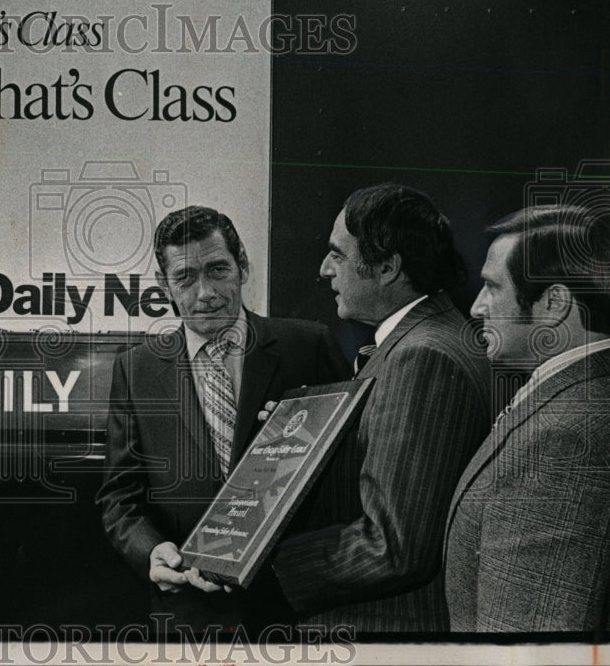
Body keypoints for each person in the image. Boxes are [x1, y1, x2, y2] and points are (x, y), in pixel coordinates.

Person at [97, 205, 348, 636]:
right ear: (164, 285)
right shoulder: (136, 370)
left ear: (243, 265)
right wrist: (153, 552)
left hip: (297, 611)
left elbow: (349, 473)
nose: (206, 293)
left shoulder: (306, 346)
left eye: (217, 269)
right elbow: (120, 497)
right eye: (186, 278)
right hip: (189, 616)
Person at [263, 183, 492, 633]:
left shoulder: (419, 356)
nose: (324, 269)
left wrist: (265, 567)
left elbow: (392, 545)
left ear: (388, 267)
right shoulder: (433, 338)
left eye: (338, 255)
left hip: (382, 631)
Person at [444, 204, 610, 633]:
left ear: (553, 303)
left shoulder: (567, 435)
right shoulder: (576, 400)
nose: (477, 307)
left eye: (492, 288)